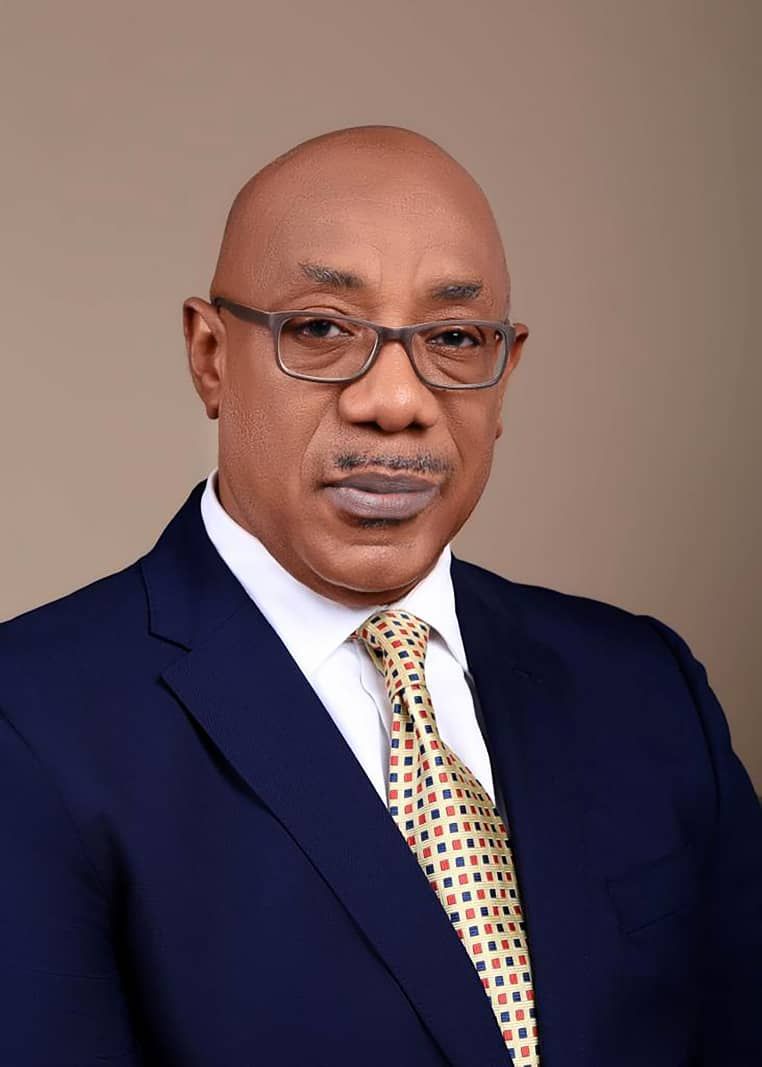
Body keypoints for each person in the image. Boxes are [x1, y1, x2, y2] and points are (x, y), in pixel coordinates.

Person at [0, 124, 760, 1067]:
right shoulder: (31, 722)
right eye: (321, 329)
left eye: (454, 338)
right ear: (210, 355)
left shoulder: (647, 687)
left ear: (506, 373)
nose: (396, 401)